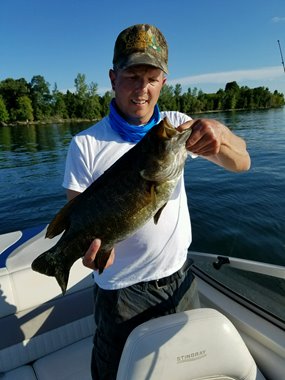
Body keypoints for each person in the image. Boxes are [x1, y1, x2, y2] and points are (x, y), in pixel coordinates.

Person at [62, 24, 251, 379]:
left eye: (152, 78)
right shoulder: (85, 145)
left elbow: (243, 162)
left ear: (164, 81)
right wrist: (90, 249)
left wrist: (220, 134)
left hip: (180, 282)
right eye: (133, 76)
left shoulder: (177, 129)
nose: (142, 89)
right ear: (113, 77)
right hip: (120, 296)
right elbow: (81, 216)